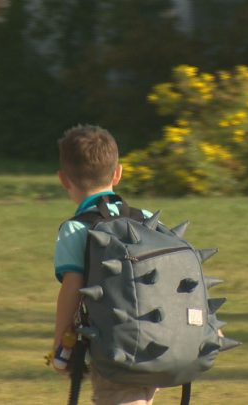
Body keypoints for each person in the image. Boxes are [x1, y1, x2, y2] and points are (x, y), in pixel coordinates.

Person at [52, 124, 157, 405]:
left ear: (64, 179)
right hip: (158, 342)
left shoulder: (76, 229)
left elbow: (72, 288)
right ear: (118, 173)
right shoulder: (145, 217)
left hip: (114, 346)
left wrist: (60, 343)